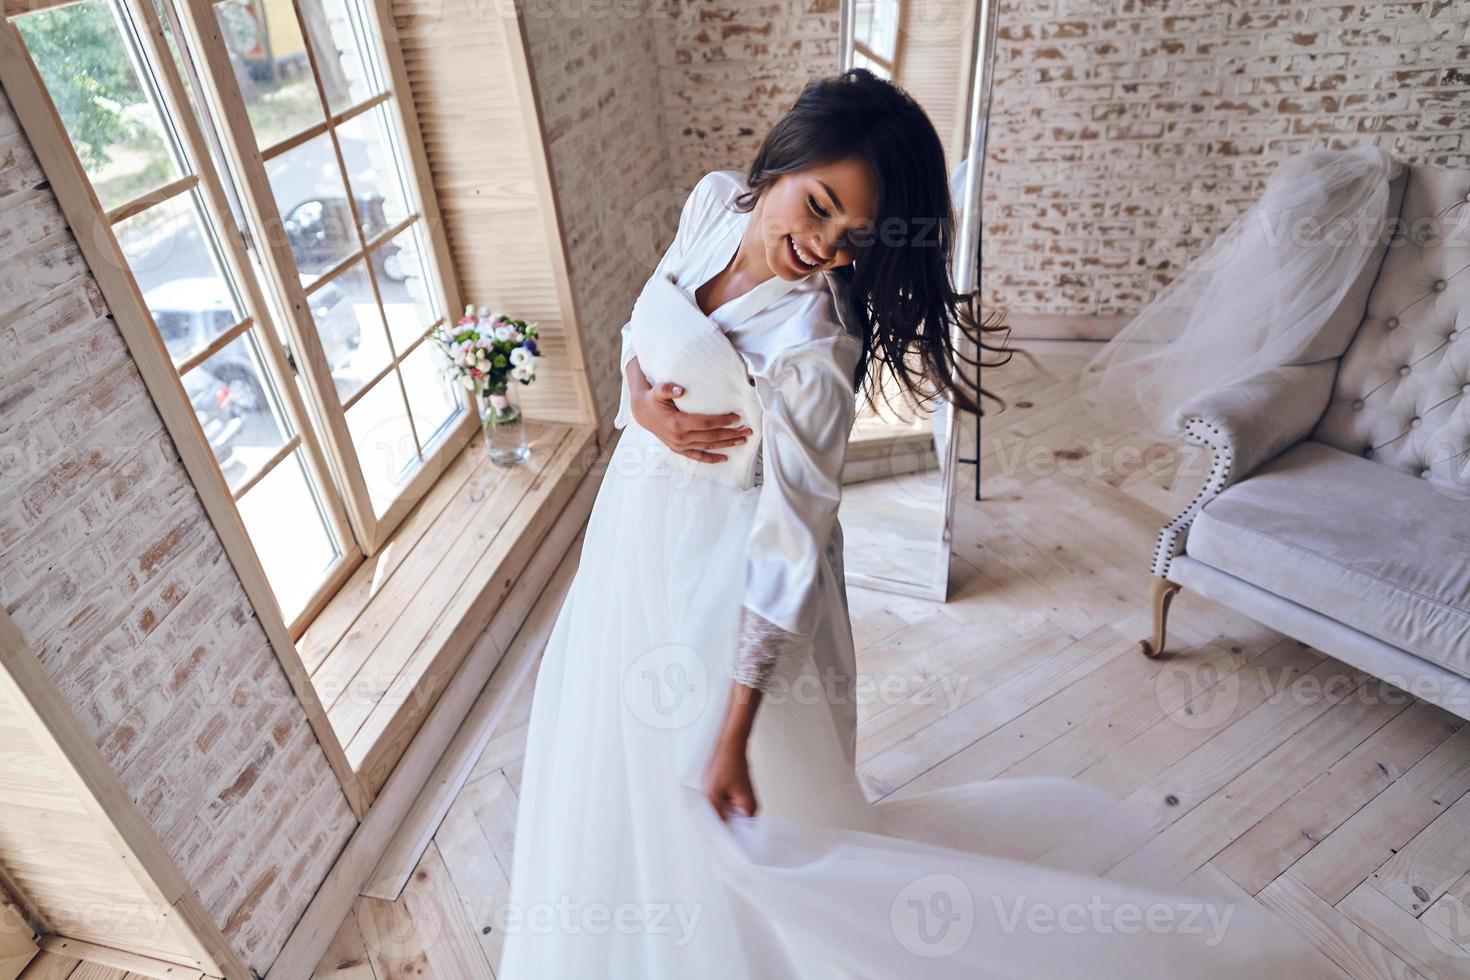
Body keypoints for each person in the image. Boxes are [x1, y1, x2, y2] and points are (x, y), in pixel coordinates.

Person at [496, 68, 1318, 978]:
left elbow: (792, 544)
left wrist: (734, 731)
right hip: (634, 530)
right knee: (615, 766)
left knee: (727, 829)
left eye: (853, 238)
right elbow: (643, 320)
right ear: (782, 158)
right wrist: (639, 404)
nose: (823, 248)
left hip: (726, 585)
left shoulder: (814, 348)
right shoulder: (709, 207)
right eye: (815, 208)